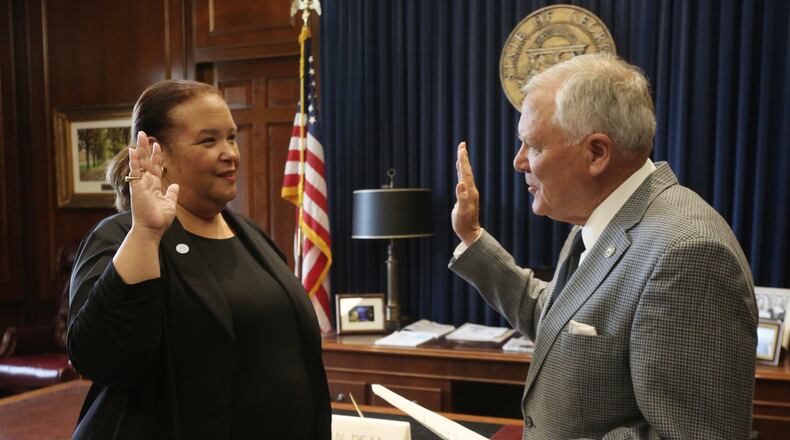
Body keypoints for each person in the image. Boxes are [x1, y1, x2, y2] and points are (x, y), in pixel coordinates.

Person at [450, 54, 757, 439]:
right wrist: (472, 237)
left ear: (596, 152)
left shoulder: (688, 254)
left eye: (534, 146)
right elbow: (558, 318)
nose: (519, 162)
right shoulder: (606, 216)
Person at [67, 80, 331, 439]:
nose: (230, 153)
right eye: (209, 141)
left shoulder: (251, 235)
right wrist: (146, 234)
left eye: (231, 138)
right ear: (159, 153)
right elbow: (99, 356)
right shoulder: (120, 237)